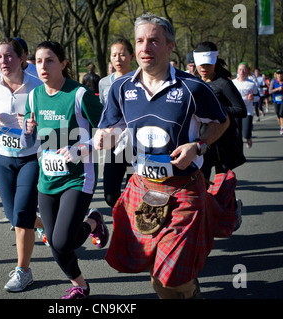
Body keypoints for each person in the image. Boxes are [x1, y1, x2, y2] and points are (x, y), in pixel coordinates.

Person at [94, 13, 236, 299]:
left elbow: (222, 122)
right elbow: (111, 129)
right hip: (143, 187)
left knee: (168, 277)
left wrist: (198, 145)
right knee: (159, 279)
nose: (145, 48)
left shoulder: (193, 87)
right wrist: (102, 139)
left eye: (154, 41)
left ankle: (190, 289)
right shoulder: (122, 88)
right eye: (140, 41)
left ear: (170, 46)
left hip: (184, 189)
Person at [22, 41, 108, 299]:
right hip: (47, 178)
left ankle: (93, 222)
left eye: (49, 60)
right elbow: (30, 141)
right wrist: (27, 131)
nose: (43, 66)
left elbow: (109, 131)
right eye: (38, 61)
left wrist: (80, 149)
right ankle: (80, 285)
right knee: (53, 241)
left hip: (77, 178)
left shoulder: (78, 94)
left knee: (62, 241)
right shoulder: (33, 96)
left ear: (63, 63)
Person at [0, 38, 42, 292]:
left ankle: (23, 271)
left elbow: (52, 124)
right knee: (13, 216)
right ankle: (46, 225)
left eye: (9, 56)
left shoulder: (37, 87)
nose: (4, 61)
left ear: (22, 57)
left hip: (31, 158)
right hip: (2, 157)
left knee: (22, 216)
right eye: (0, 57)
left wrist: (36, 126)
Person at [194, 41, 246, 229]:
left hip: (224, 142)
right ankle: (205, 223)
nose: (203, 69)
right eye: (200, 65)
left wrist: (216, 110)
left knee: (223, 183)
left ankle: (232, 211)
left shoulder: (224, 84)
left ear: (214, 62)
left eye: (207, 65)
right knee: (201, 182)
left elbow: (240, 110)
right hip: (203, 141)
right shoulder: (195, 83)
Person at [98, 38, 135, 207]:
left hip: (136, 143)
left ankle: (130, 229)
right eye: (114, 55)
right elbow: (103, 112)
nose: (118, 59)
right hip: (114, 143)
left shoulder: (140, 80)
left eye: (122, 55)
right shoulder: (104, 83)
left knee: (135, 192)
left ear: (131, 57)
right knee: (110, 196)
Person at [232, 62, 258, 148]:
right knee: (237, 134)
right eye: (240, 70)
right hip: (236, 110)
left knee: (245, 133)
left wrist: (253, 98)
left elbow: (258, 96)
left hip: (247, 111)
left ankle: (248, 137)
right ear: (237, 71)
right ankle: (240, 153)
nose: (242, 72)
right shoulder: (233, 83)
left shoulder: (251, 83)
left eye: (244, 70)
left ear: (247, 72)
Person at [269, 69, 283, 135]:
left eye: (280, 74)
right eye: (278, 74)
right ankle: (281, 125)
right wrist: (277, 89)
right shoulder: (273, 82)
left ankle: (282, 128)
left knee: (281, 114)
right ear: (276, 75)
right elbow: (269, 91)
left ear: (282, 75)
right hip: (276, 100)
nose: (279, 75)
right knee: (278, 114)